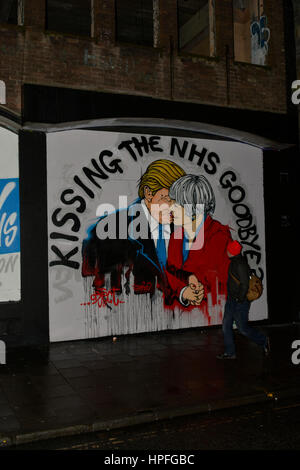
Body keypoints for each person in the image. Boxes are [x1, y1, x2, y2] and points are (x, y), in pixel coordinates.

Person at [81, 159, 200, 305]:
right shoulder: (112, 229)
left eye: (179, 202)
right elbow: (98, 286)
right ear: (149, 193)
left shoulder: (179, 226)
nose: (174, 208)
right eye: (169, 200)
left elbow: (170, 268)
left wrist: (188, 279)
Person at [166, 174, 232, 312]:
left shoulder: (219, 236)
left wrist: (195, 290)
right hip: (177, 315)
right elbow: (170, 273)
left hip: (211, 313)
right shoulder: (175, 236)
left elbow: (221, 282)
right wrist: (184, 291)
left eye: (176, 204)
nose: (170, 208)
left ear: (194, 208)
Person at [217, 240, 270, 359]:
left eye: (228, 249)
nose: (226, 251)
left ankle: (263, 340)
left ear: (231, 251)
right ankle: (230, 353)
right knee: (226, 325)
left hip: (239, 302)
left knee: (242, 328)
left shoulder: (240, 264)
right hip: (232, 300)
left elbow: (245, 284)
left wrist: (239, 299)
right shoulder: (235, 261)